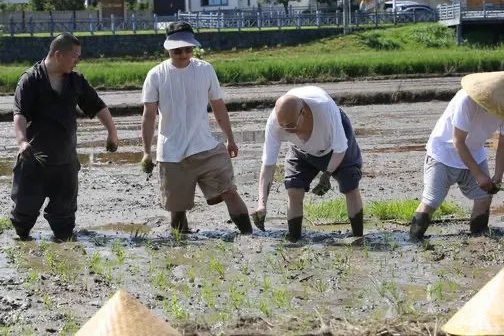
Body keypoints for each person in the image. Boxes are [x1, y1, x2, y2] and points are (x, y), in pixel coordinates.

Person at [140, 22, 252, 234]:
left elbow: (218, 107)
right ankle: (181, 245)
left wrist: (230, 138)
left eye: (188, 49)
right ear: (168, 48)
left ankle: (250, 236)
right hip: (172, 153)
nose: (184, 54)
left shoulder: (205, 69)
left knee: (229, 192)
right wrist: (146, 151)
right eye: (178, 50)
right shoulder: (156, 75)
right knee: (177, 208)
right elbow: (148, 116)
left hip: (206, 148)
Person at [11, 33, 119, 241]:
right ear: (58, 54)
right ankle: (23, 236)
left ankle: (63, 242)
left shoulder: (76, 81)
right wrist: (22, 141)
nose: (78, 60)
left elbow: (98, 106)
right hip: (34, 160)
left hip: (65, 161)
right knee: (23, 218)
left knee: (65, 223)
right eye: (74, 56)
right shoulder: (30, 80)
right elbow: (20, 115)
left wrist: (112, 132)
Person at [409, 71, 504, 240]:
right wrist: (479, 175)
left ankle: (479, 236)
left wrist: (498, 175)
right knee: (432, 201)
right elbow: (458, 141)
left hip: (474, 153)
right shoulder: (466, 100)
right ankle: (414, 239)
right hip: (443, 154)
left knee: (484, 196)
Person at [253, 86, 363, 242]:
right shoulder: (276, 124)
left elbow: (340, 149)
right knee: (293, 188)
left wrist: (327, 175)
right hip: (301, 149)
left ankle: (357, 237)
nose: (288, 130)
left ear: (303, 113)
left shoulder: (325, 110)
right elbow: (268, 164)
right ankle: (294, 239)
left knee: (350, 185)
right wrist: (261, 204)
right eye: (284, 127)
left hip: (334, 146)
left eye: (292, 125)